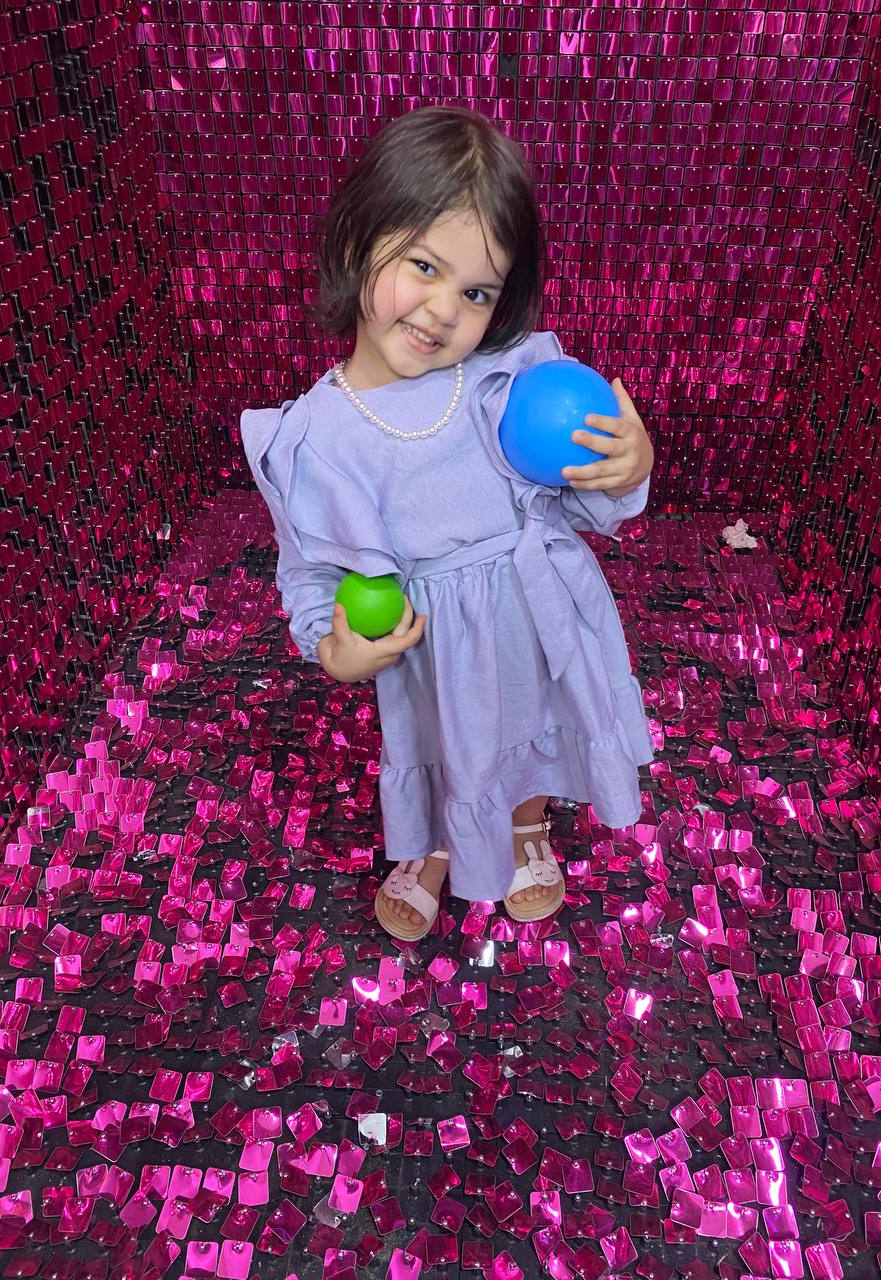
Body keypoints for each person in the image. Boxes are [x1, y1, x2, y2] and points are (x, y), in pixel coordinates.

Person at [241, 107, 654, 942]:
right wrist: (334, 646)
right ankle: (436, 841)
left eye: (475, 292)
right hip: (435, 649)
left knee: (536, 719)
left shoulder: (505, 382)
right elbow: (312, 571)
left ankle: (527, 822)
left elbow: (581, 501)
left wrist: (626, 465)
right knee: (445, 741)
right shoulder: (313, 439)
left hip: (534, 616)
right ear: (357, 240)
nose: (441, 310)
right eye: (423, 266)